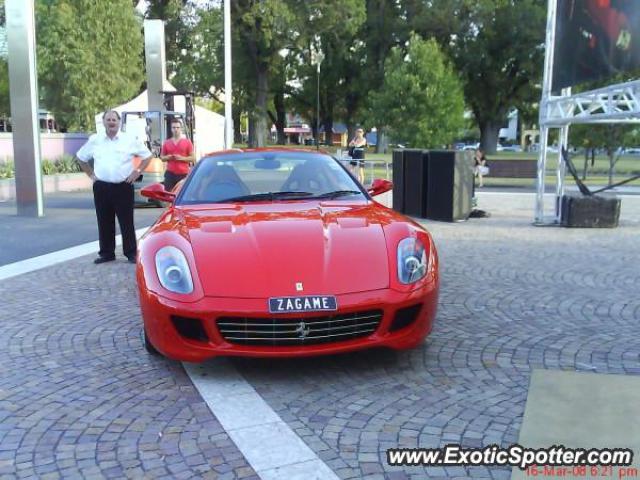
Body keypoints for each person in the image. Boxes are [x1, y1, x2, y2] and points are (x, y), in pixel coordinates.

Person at [75, 110, 153, 264]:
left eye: (114, 120)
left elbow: (147, 156)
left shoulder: (129, 139)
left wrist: (137, 172)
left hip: (123, 186)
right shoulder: (95, 140)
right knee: (104, 220)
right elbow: (81, 158)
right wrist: (91, 175)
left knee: (126, 221)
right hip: (101, 187)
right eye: (108, 119)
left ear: (119, 122)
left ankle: (131, 253)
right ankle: (106, 253)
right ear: (103, 122)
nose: (111, 122)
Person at [160, 119, 195, 191]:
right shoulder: (166, 143)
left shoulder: (187, 142)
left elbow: (193, 158)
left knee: (181, 195)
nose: (176, 129)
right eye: (174, 127)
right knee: (168, 195)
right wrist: (168, 157)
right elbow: (162, 157)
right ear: (171, 129)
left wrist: (181, 158)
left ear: (181, 128)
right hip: (170, 174)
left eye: (178, 127)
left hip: (183, 174)